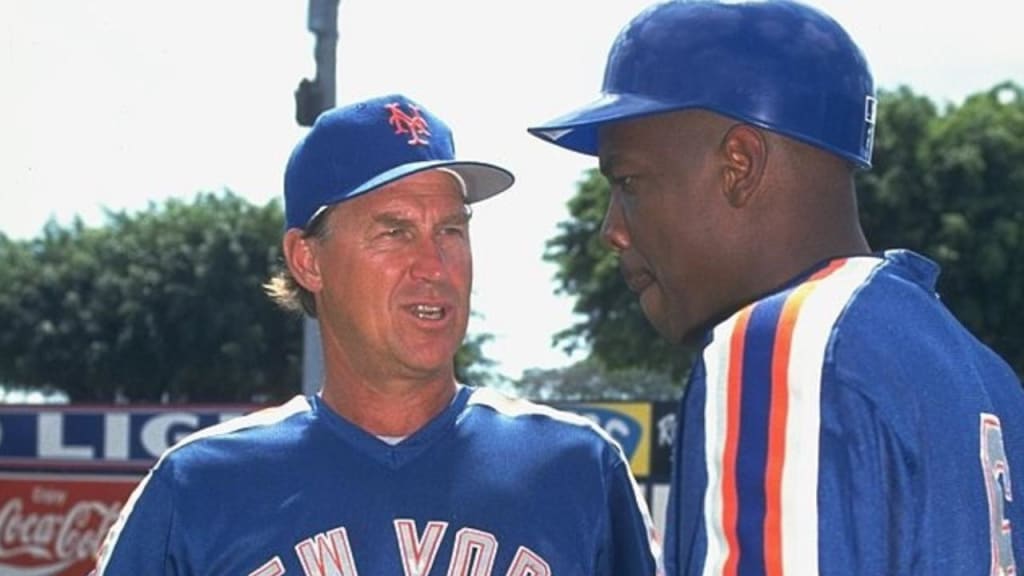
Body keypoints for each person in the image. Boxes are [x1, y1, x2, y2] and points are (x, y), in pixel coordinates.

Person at [528, 1, 1024, 574]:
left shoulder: (789, 345)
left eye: (629, 182)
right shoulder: (981, 374)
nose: (611, 230)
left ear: (739, 164)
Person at [92, 93, 662, 575]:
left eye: (451, 230)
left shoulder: (578, 467)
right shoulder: (199, 485)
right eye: (394, 232)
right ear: (307, 261)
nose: (434, 266)